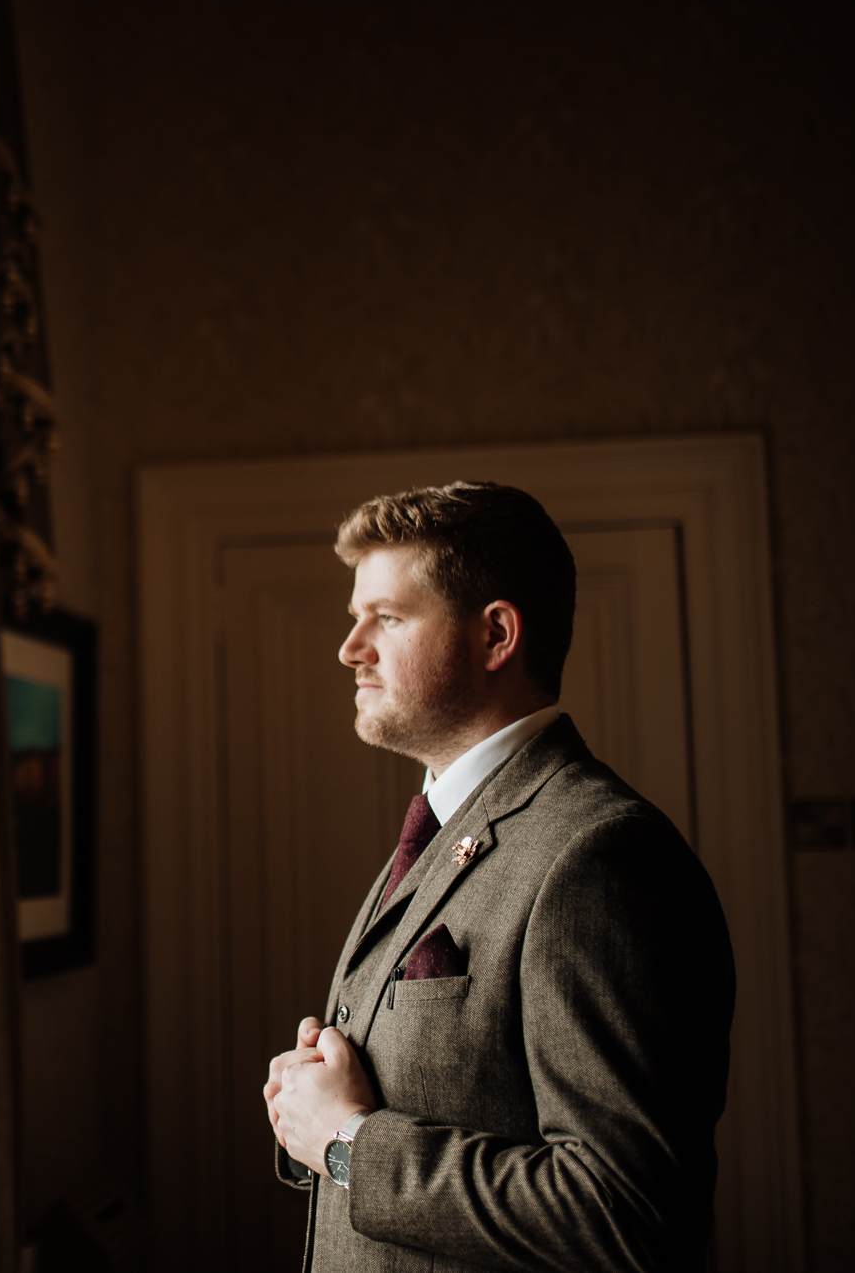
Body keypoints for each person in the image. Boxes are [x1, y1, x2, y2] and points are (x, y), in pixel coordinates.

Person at [261, 481, 734, 1272]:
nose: (350, 648)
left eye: (387, 617)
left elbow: (626, 1218)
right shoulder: (447, 829)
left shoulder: (598, 855)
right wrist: (308, 1107)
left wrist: (350, 1143)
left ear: (497, 635)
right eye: (354, 618)